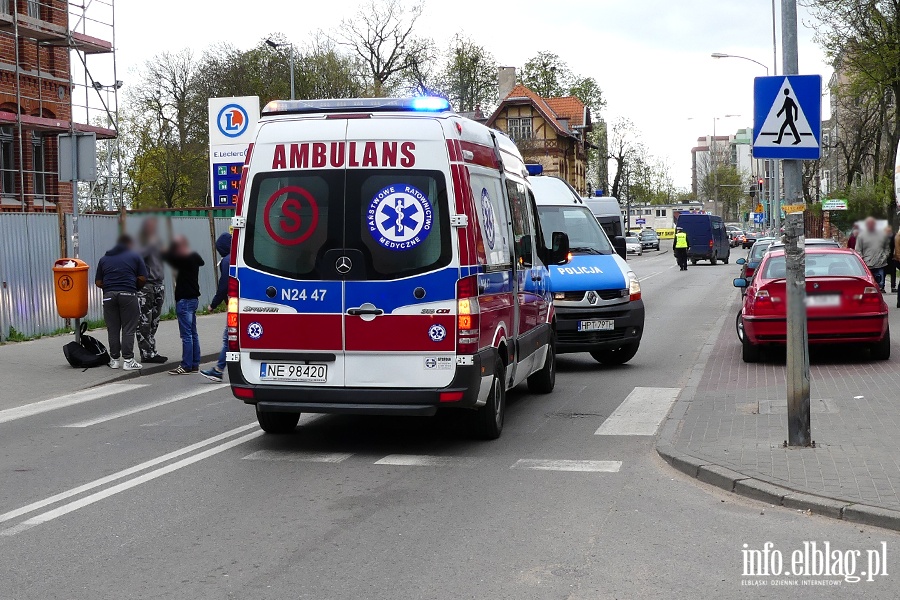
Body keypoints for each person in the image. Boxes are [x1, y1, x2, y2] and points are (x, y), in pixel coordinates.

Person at [95, 234, 147, 371]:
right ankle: (128, 360)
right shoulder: (135, 257)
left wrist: (110, 288)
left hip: (109, 296)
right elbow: (142, 278)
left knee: (113, 329)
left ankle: (114, 360)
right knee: (128, 329)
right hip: (128, 294)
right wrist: (134, 287)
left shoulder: (104, 259)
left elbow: (98, 282)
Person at [163, 235, 205, 375]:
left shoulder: (183, 259)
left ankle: (186, 365)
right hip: (193, 299)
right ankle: (194, 364)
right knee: (193, 333)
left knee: (186, 335)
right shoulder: (194, 257)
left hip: (185, 300)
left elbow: (167, 256)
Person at [201, 232, 232, 383]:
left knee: (229, 338)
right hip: (241, 304)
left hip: (234, 306)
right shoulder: (236, 258)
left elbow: (223, 286)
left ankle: (219, 370)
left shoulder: (227, 261)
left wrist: (213, 304)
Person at [136, 218, 168, 364]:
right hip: (147, 285)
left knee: (154, 320)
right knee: (144, 320)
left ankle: (151, 350)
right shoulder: (144, 243)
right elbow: (137, 260)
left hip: (158, 284)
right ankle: (147, 353)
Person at [855, 217, 889, 292]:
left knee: (880, 286)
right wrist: (862, 260)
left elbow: (887, 248)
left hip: (880, 264)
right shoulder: (861, 236)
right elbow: (858, 250)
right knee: (869, 286)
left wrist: (884, 257)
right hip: (867, 265)